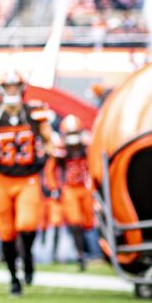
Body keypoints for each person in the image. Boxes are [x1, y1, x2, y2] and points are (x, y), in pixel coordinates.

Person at [0, 69, 55, 295]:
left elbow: (51, 142)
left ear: (22, 89)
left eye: (15, 87)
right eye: (8, 88)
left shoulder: (34, 114)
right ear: (0, 91)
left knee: (27, 225)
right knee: (6, 233)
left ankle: (27, 256)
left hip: (27, 178)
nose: (12, 92)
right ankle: (13, 278)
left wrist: (45, 156)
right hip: (2, 179)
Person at [55, 114, 94, 271]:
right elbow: (53, 169)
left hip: (85, 187)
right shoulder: (61, 150)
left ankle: (95, 252)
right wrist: (55, 188)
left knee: (89, 224)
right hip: (70, 189)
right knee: (75, 222)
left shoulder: (87, 147)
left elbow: (94, 165)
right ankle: (80, 256)